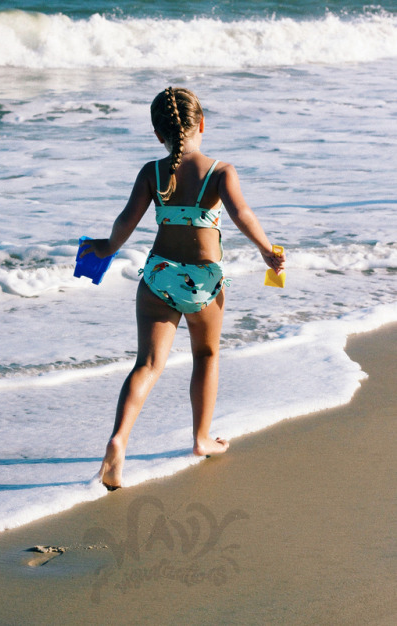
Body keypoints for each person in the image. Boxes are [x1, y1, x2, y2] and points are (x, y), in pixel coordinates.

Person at [80, 87, 285, 490]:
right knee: (206, 355)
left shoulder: (151, 172)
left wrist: (105, 248)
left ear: (159, 135)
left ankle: (119, 441)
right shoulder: (221, 171)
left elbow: (126, 221)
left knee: (147, 365)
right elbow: (242, 214)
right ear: (202, 124)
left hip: (157, 275)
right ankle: (201, 438)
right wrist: (266, 250)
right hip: (202, 281)